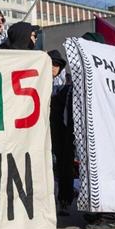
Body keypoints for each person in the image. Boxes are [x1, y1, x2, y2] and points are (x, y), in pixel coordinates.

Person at [47, 50, 75, 216]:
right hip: (47, 128)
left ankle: (64, 201)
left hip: (65, 130)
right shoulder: (39, 80)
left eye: (56, 64)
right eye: (50, 63)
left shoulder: (68, 81)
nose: (53, 67)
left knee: (65, 165)